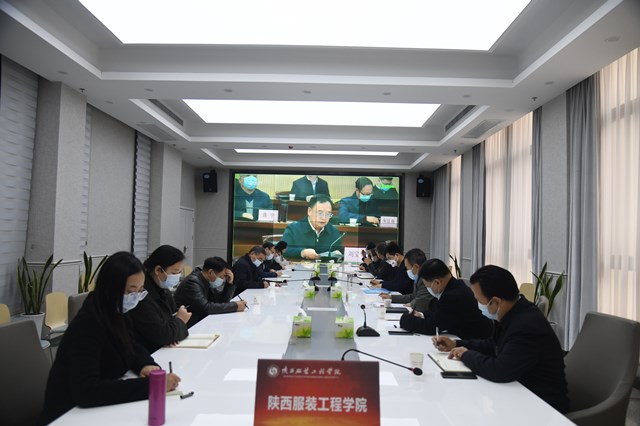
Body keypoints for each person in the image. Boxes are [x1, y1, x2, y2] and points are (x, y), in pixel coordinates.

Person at [39, 252, 181, 425]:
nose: (135, 297)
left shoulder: (116, 310)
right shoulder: (88, 324)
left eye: (140, 291)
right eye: (131, 291)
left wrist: (145, 364)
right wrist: (152, 386)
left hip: (100, 410)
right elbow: (87, 391)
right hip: (68, 415)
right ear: (111, 288)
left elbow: (132, 344)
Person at [433, 265, 569, 413]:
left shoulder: (526, 326)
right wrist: (457, 343)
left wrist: (465, 355)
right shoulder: (514, 311)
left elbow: (499, 370)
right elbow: (494, 345)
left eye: (480, 301)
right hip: (518, 392)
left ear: (496, 301)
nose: (478, 306)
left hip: (542, 406)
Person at [399, 258, 493, 339]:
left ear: (437, 283)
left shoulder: (453, 296)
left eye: (427, 285)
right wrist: (421, 314)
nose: (428, 288)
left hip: (476, 342)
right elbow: (439, 314)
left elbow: (431, 327)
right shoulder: (455, 285)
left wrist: (405, 319)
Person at [126, 245, 191, 353]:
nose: (178, 277)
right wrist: (180, 321)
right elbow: (162, 335)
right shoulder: (141, 295)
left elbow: (170, 323)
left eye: (180, 272)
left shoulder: (164, 290)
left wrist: (173, 333)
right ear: (158, 270)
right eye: (174, 273)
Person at [174, 256, 247, 327]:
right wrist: (235, 306)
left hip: (199, 321)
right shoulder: (192, 282)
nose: (223, 279)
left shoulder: (207, 281)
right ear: (211, 272)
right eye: (222, 277)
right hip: (189, 325)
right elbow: (206, 308)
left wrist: (229, 284)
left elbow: (220, 301)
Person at [281, 195, 344, 260]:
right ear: (309, 211)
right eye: (320, 213)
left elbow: (340, 252)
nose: (324, 218)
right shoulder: (294, 229)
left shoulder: (334, 231)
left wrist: (338, 254)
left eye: (328, 214)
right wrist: (302, 252)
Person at [379, 248, 436, 314]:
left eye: (407, 268)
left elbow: (421, 302)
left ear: (416, 267)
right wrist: (391, 297)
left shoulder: (426, 278)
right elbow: (413, 296)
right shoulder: (418, 278)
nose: (407, 270)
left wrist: (412, 304)